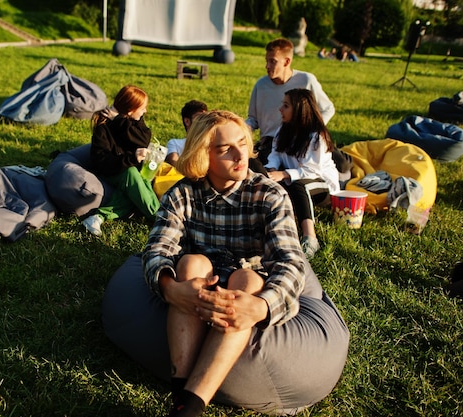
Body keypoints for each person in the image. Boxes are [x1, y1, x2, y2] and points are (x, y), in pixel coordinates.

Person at [102, 110, 349, 416]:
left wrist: (263, 307)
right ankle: (181, 394)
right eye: (225, 149)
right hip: (201, 278)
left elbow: (290, 261)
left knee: (245, 281)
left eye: (242, 144)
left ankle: (190, 406)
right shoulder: (182, 194)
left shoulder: (270, 195)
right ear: (203, 155)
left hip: (251, 278)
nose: (240, 154)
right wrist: (170, 288)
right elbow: (157, 249)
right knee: (191, 264)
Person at [265, 88, 340, 259]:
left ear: (299, 109)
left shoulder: (316, 136)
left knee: (299, 186)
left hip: (322, 185)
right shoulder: (283, 129)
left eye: (285, 106)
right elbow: (276, 153)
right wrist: (271, 169)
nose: (280, 109)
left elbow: (312, 170)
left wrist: (284, 174)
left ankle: (310, 238)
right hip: (293, 178)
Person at [81, 85, 160, 236]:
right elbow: (101, 161)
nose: (145, 111)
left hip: (132, 170)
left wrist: (119, 120)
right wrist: (131, 158)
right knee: (132, 174)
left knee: (139, 180)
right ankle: (161, 218)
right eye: (143, 108)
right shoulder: (103, 127)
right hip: (112, 170)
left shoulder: (134, 120)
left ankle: (98, 216)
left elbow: (144, 139)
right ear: (130, 110)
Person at [245, 38, 335, 165]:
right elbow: (253, 119)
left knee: (341, 163)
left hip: (302, 139)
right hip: (272, 142)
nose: (267, 66)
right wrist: (242, 129)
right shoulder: (261, 85)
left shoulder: (306, 80)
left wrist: (311, 131)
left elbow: (328, 109)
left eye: (272, 61)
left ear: (287, 61)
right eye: (267, 61)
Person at [165, 100, 208, 167]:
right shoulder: (174, 143)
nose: (203, 121)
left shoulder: (210, 143)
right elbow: (174, 163)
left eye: (205, 118)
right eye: (199, 118)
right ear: (187, 121)